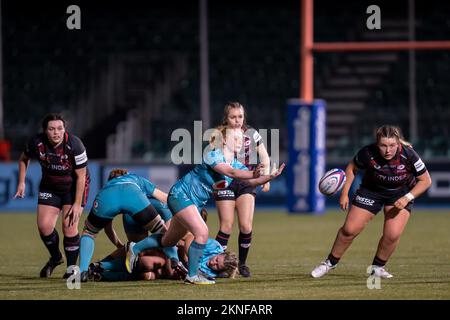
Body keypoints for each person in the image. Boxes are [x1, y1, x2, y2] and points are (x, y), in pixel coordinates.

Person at [126, 127, 285, 285]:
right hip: (180, 195)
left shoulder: (238, 165)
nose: (239, 142)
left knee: (168, 241)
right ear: (224, 140)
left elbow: (250, 182)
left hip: (191, 203)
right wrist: (252, 174)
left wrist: (269, 177)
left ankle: (134, 249)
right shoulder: (213, 155)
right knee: (202, 232)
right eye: (235, 139)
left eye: (242, 140)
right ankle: (192, 275)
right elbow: (231, 173)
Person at [311, 125, 432, 279]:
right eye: (383, 145)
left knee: (392, 235)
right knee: (349, 230)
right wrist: (345, 193)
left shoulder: (409, 154)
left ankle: (378, 268)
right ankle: (329, 263)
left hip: (400, 193)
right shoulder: (367, 153)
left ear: (398, 144)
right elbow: (351, 168)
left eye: (392, 145)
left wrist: (408, 197)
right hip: (371, 191)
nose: (388, 150)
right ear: (377, 144)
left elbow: (425, 181)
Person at [13, 113, 90, 278]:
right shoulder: (37, 142)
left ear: (65, 129)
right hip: (50, 186)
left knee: (69, 228)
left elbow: (81, 176)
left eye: (60, 128)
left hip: (73, 187)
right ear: (45, 131)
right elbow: (23, 159)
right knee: (44, 227)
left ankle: (71, 271)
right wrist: (21, 182)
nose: (56, 132)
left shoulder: (75, 145)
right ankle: (56, 258)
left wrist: (77, 204)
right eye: (52, 129)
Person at [78, 169, 182, 282]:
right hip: (132, 195)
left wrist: (119, 245)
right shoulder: (135, 178)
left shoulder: (107, 186)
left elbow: (107, 228)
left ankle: (83, 271)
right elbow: (164, 197)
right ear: (126, 174)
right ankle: (175, 260)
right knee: (161, 232)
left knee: (89, 232)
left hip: (106, 197)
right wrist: (186, 205)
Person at [213, 102, 271, 277]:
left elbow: (265, 156)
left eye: (240, 116)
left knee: (246, 226)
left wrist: (265, 178)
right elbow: (217, 160)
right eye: (233, 117)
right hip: (225, 181)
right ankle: (217, 263)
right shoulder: (219, 135)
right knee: (227, 226)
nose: (237, 120)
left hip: (246, 182)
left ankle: (242, 264)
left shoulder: (252, 134)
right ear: (226, 118)